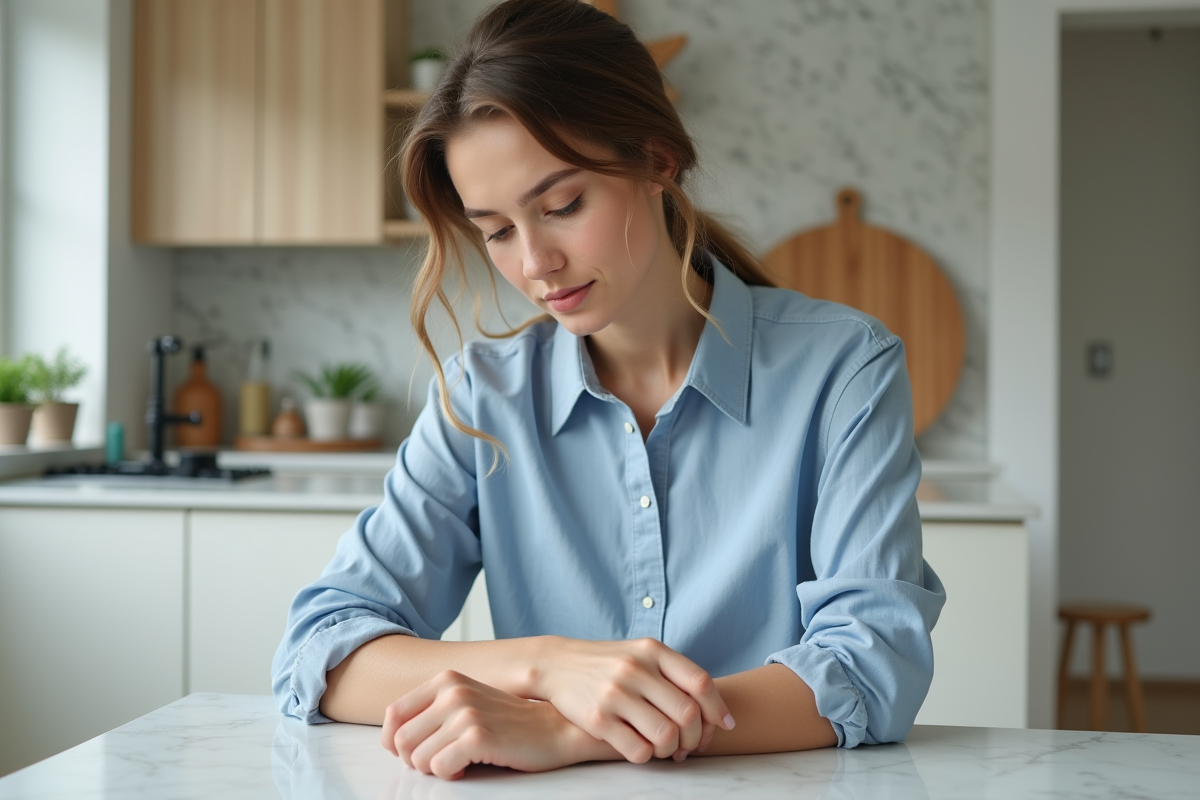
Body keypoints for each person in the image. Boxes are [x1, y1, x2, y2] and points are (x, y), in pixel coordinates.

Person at [272, 0, 945, 781]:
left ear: (658, 160)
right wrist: (545, 669)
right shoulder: (480, 396)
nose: (534, 263)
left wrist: (578, 731)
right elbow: (323, 648)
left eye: (562, 206)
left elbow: (872, 665)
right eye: (495, 230)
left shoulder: (843, 367)